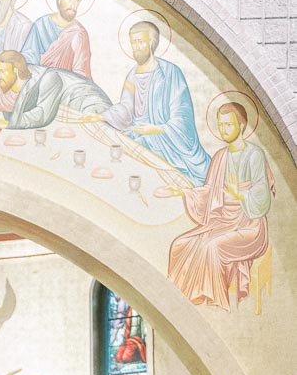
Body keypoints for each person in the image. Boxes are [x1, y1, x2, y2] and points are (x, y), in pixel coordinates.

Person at [168, 101, 274, 311]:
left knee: (212, 246)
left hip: (249, 225)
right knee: (181, 244)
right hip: (222, 221)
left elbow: (262, 194)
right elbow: (209, 192)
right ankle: (179, 308)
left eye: (228, 125)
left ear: (242, 125)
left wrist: (241, 194)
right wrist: (185, 192)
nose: (223, 130)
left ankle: (215, 300)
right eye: (220, 125)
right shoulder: (219, 157)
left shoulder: (254, 155)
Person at [101, 21, 210, 185]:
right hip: (138, 134)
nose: (135, 47)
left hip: (167, 141)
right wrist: (101, 116)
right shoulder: (133, 74)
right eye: (133, 43)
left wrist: (157, 129)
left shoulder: (171, 73)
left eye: (140, 42)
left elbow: (182, 115)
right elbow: (126, 107)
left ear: (151, 43)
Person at [22, 0, 92, 77]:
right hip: (37, 82)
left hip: (64, 87)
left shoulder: (80, 33)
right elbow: (28, 57)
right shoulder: (41, 25)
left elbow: (82, 71)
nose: (73, 5)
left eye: (77, 0)